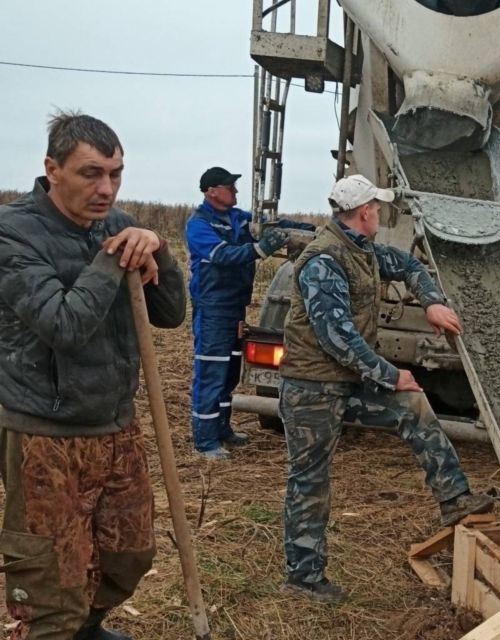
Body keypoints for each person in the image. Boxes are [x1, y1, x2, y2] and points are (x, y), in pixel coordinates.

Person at [0, 111, 186, 640]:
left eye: (116, 173)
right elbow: (64, 325)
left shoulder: (118, 223)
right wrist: (112, 261)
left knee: (128, 554)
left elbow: (170, 314)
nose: (106, 188)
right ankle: (59, 628)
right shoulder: (12, 234)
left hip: (114, 425)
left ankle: (87, 626)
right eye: (90, 173)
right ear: (51, 169)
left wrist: (159, 251)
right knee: (50, 580)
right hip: (45, 431)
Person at [278, 173, 494, 602]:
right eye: (377, 208)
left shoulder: (364, 251)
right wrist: (390, 374)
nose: (380, 213)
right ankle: (303, 578)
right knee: (310, 481)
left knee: (411, 404)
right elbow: (337, 338)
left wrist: (432, 301)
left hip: (346, 382)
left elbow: (411, 267)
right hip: (311, 389)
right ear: (364, 212)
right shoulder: (325, 261)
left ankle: (454, 498)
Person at [185, 167, 315, 460]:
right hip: (213, 309)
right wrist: (259, 250)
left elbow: (272, 225)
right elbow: (221, 256)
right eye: (230, 187)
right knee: (211, 372)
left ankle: (222, 428)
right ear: (211, 192)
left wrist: (306, 229)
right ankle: (205, 441)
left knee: (230, 371)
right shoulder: (199, 225)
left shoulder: (238, 218)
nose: (235, 191)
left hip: (235, 307)